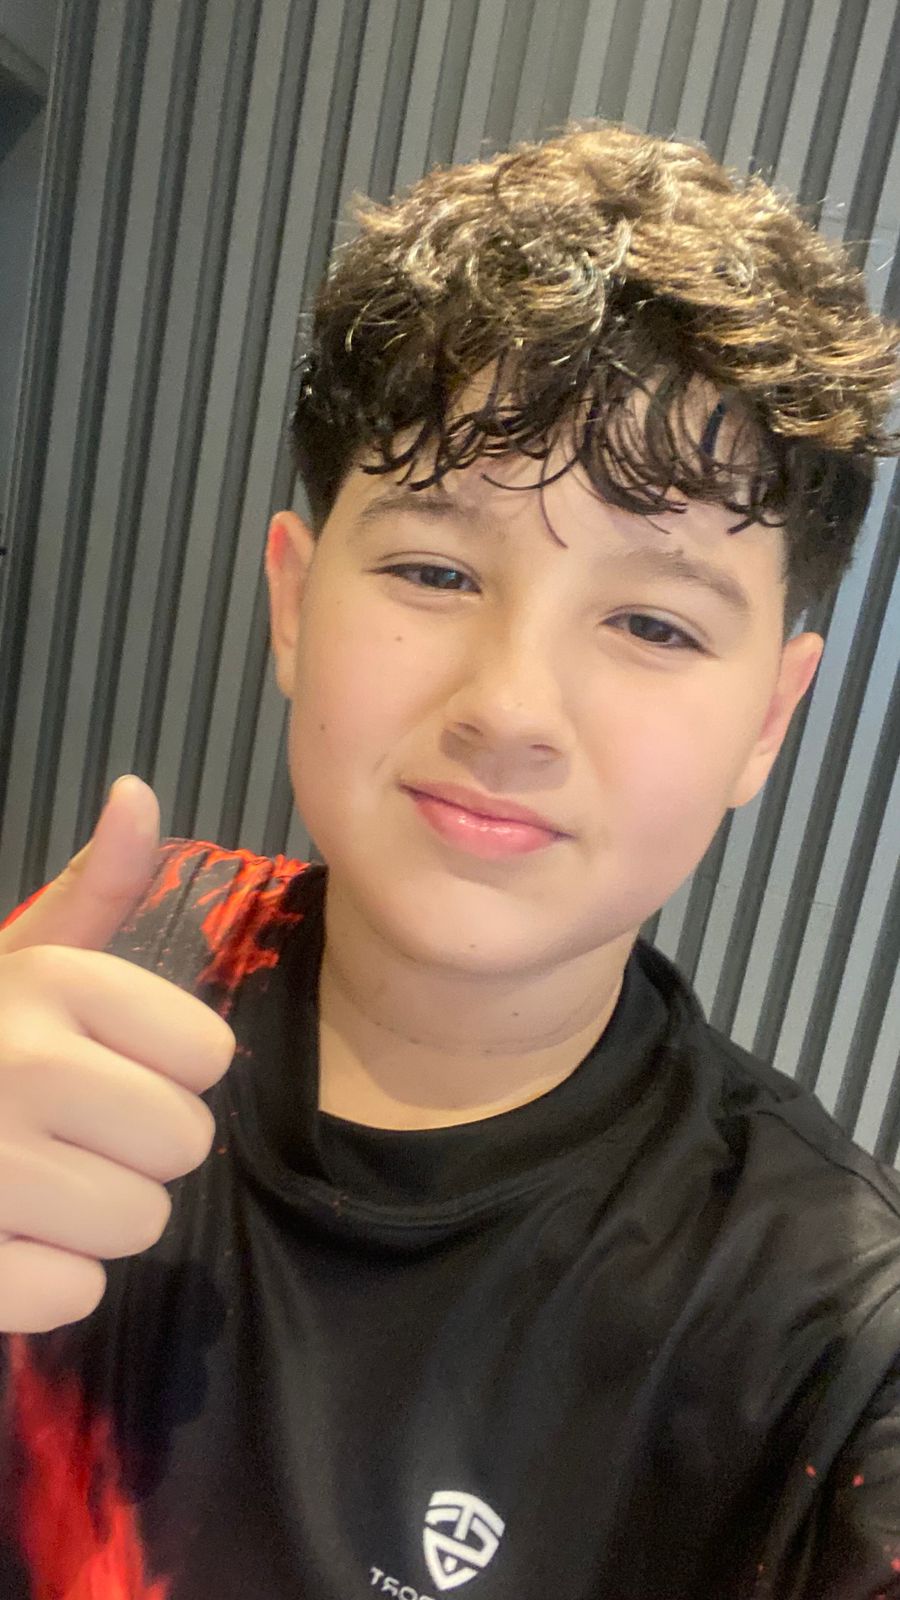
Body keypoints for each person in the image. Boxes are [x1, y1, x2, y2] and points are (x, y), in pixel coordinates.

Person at [0, 119, 898, 1600]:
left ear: (768, 721)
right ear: (295, 605)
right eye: (435, 569)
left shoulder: (833, 1344)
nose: (510, 709)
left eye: (654, 623)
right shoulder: (86, 979)